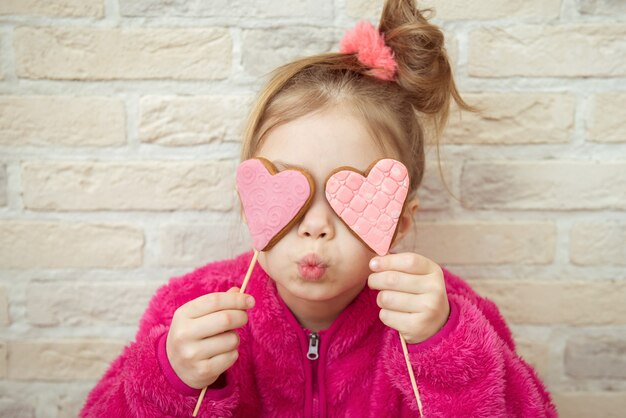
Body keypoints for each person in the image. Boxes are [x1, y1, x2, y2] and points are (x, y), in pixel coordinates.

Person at [80, 0, 558, 416]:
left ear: (400, 222)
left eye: (346, 198)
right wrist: (170, 379)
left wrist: (446, 350)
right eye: (291, 191)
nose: (315, 227)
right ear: (251, 203)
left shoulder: (446, 318)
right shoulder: (188, 313)